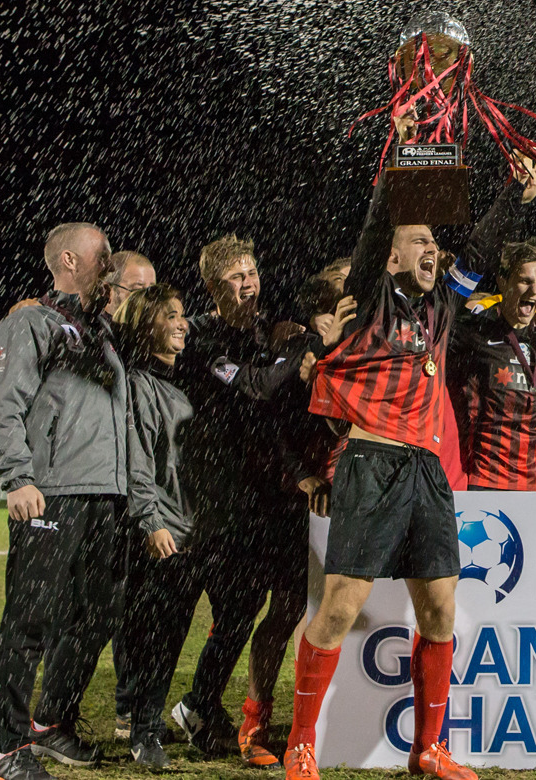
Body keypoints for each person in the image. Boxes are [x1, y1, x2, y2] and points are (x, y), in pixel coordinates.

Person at [285, 160, 536, 780]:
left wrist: (513, 194)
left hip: (428, 471)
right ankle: (301, 742)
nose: (433, 247)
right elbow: (375, 232)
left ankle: (428, 749)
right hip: (371, 461)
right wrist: (393, 170)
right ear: (395, 259)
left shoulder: (444, 309)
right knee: (340, 607)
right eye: (420, 240)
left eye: (433, 241)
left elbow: (478, 248)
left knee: (441, 611)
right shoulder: (372, 296)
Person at [0, 222, 124, 780]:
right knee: (29, 620)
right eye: (101, 253)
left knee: (99, 612)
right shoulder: (30, 322)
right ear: (69, 259)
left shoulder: (101, 332)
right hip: (51, 493)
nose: (109, 259)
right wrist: (16, 477)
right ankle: (9, 750)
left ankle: (50, 722)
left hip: (103, 497)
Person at [171, 234, 314, 769]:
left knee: (241, 609)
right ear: (213, 288)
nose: (249, 282)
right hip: (211, 496)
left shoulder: (262, 331)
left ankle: (198, 705)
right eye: (236, 277)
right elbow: (256, 387)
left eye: (251, 272)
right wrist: (298, 350)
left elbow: (273, 419)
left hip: (258, 498)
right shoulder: (203, 339)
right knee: (215, 610)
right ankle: (175, 710)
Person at [111, 284, 193, 768]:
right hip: (162, 529)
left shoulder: (182, 380)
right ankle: (143, 730)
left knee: (171, 632)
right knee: (151, 633)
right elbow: (137, 460)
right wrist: (151, 521)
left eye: (183, 315)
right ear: (148, 325)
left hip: (189, 526)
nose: (182, 323)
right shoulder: (140, 384)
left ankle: (147, 718)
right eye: (171, 316)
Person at [450, 242, 536, 490]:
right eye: (525, 281)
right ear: (502, 281)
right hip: (484, 477)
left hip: (534, 481)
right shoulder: (474, 331)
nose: (534, 290)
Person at [104, 250, 157, 317]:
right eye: (138, 290)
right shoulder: (92, 326)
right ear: (107, 291)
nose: (149, 300)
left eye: (153, 291)